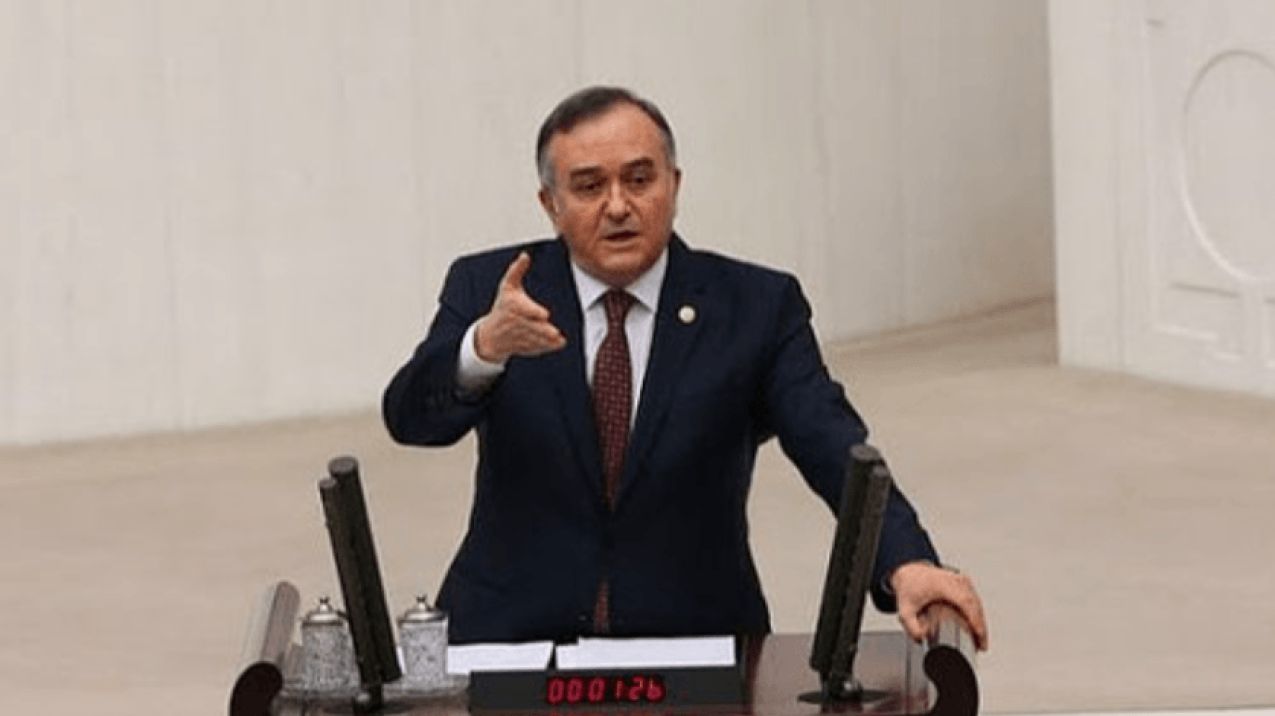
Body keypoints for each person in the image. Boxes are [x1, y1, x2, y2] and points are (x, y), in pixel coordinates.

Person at [383, 86, 988, 649]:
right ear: (551, 204)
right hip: (511, 638)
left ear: (674, 183)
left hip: (696, 637)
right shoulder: (491, 289)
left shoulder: (755, 307)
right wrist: (483, 348)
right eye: (589, 187)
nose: (618, 206)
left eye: (639, 179)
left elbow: (829, 438)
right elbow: (410, 420)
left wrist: (905, 560)